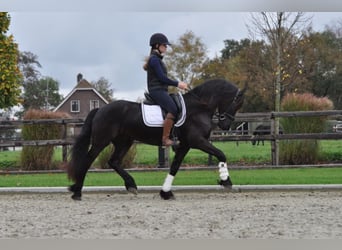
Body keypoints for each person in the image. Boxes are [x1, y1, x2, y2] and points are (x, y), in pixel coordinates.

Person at [143, 33, 189, 147]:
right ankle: (165, 139)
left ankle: (174, 135)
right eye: (164, 45)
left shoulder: (157, 59)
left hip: (161, 90)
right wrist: (178, 84)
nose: (166, 47)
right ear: (157, 45)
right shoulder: (154, 60)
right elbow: (162, 78)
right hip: (156, 90)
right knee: (173, 109)